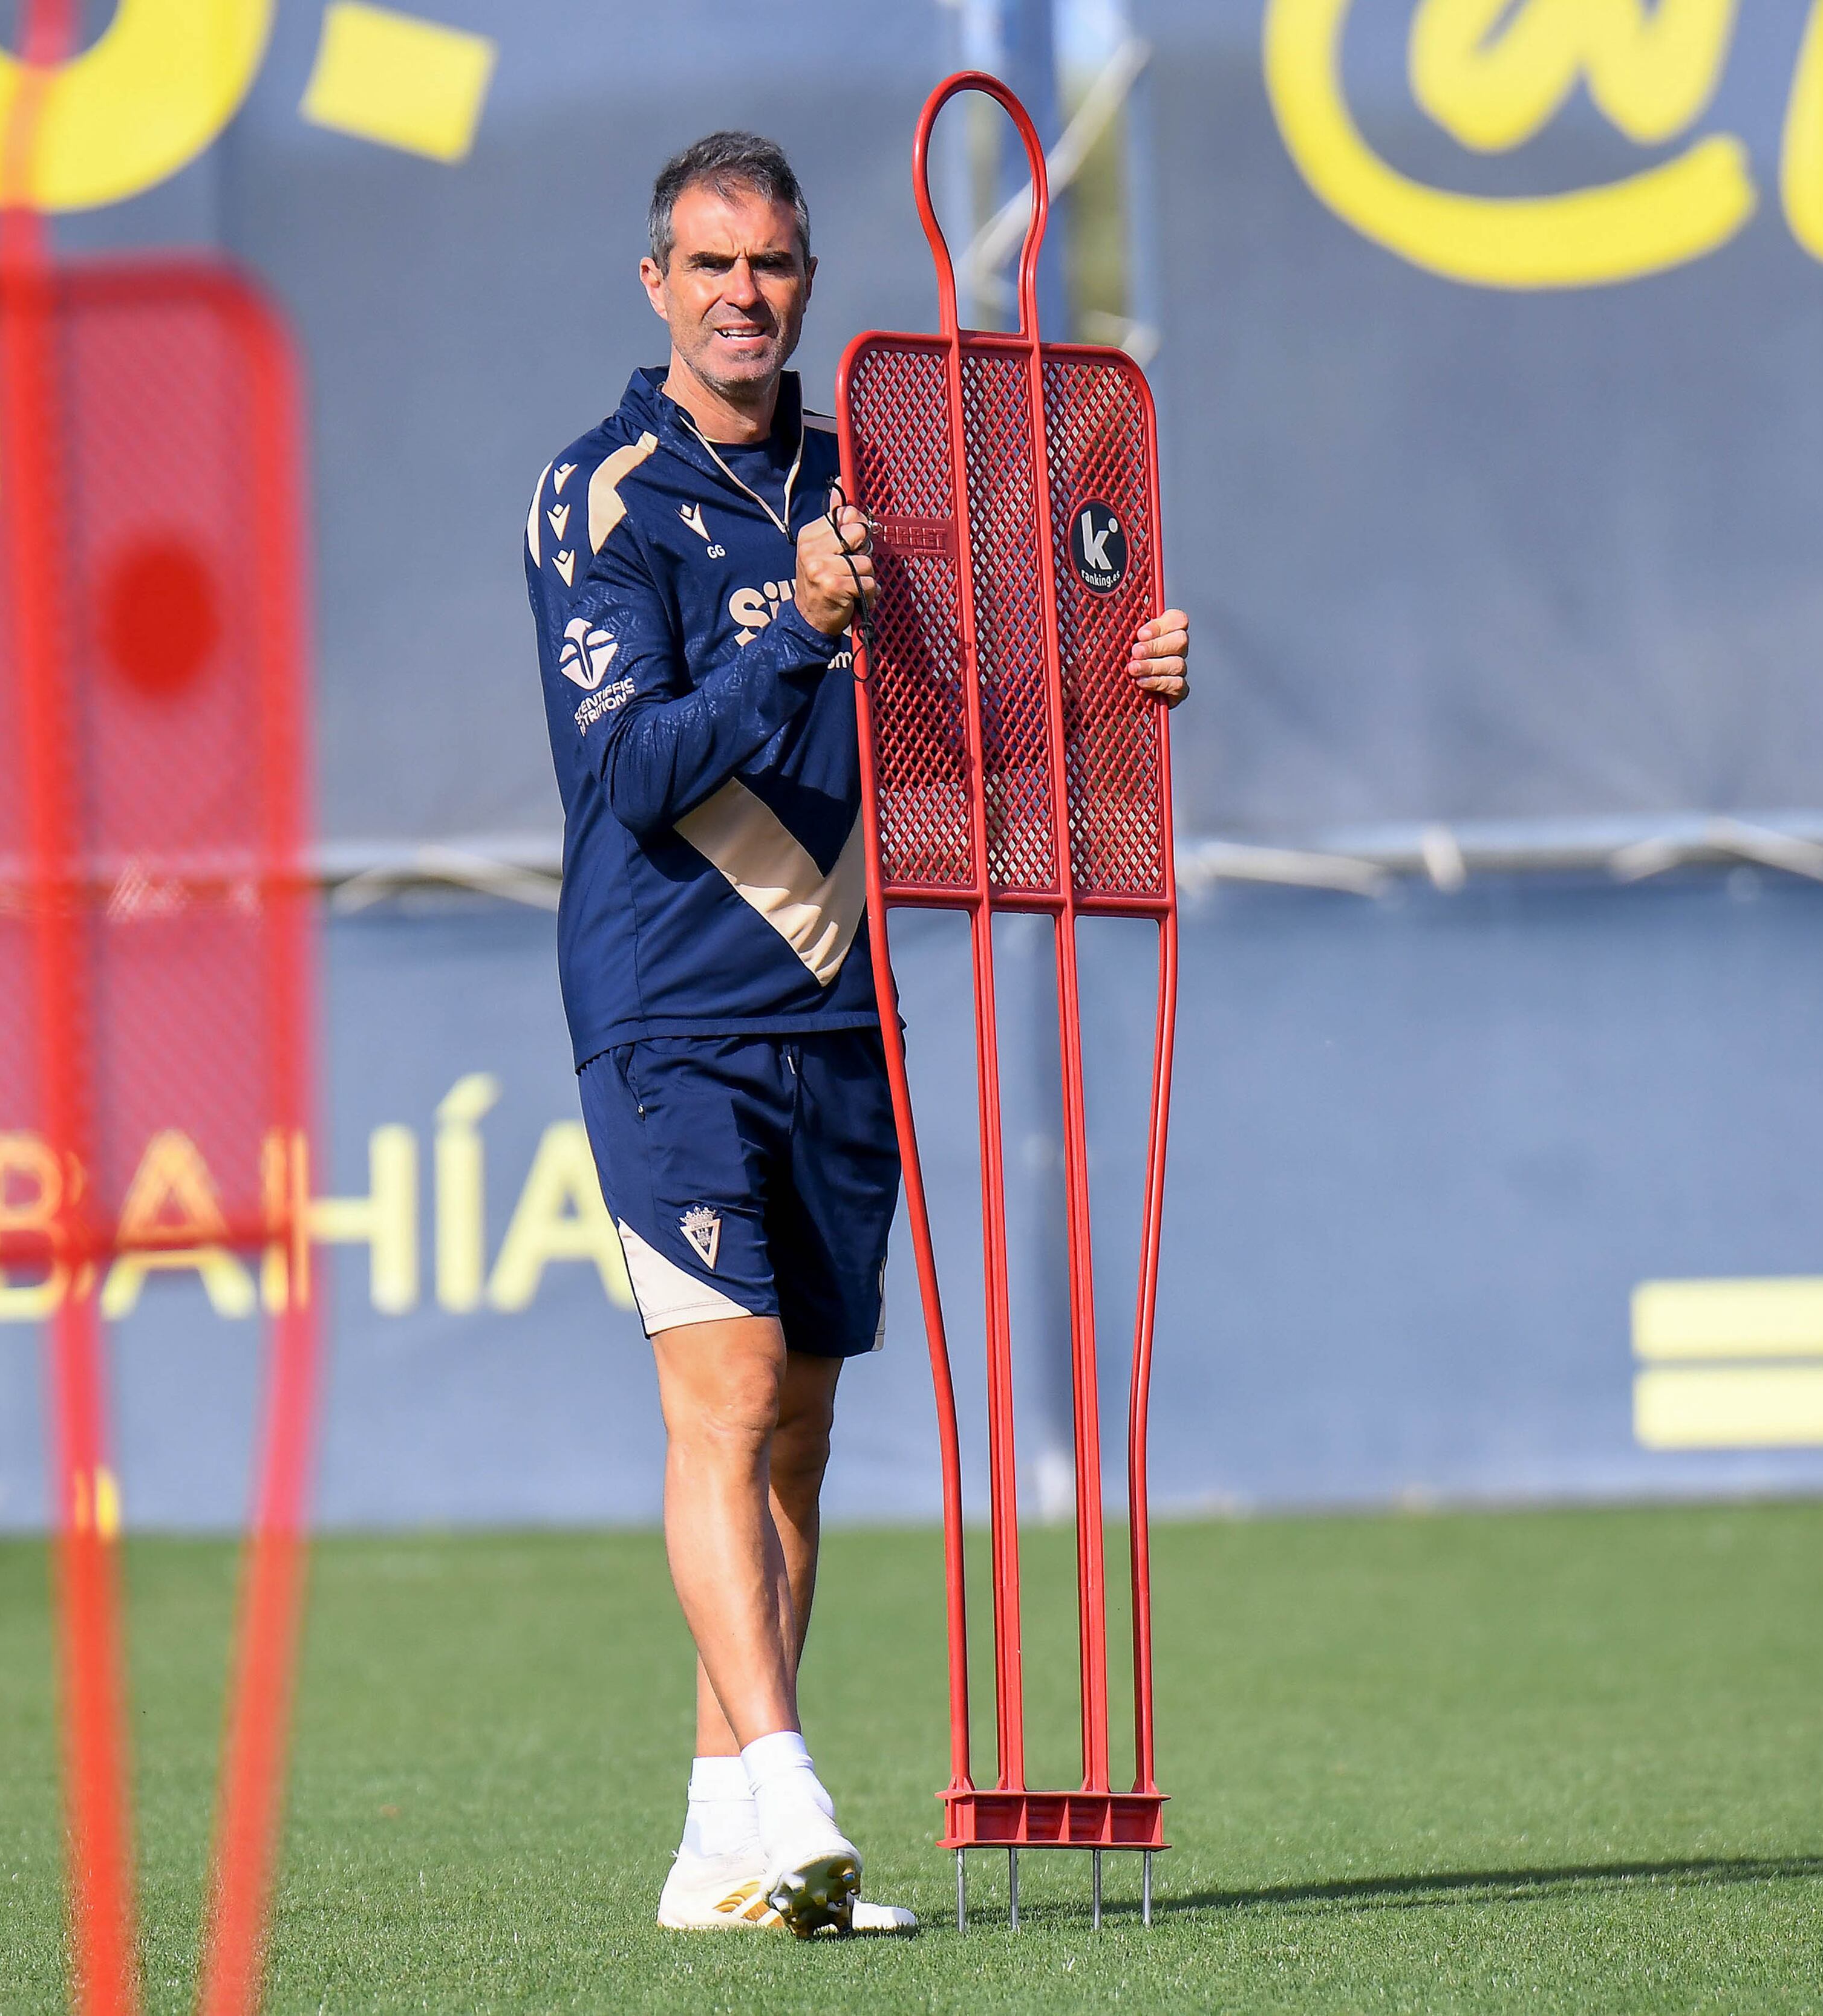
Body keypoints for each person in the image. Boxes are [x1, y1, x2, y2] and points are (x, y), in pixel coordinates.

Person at [520, 131, 1190, 1937]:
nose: (749, 295)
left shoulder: (867, 475)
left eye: (779, 264)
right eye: (714, 264)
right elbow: (634, 771)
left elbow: (953, 739)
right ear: (656, 284)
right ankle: (795, 1788)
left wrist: (1097, 688)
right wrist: (799, 631)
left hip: (840, 1009)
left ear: (808, 282)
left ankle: (717, 1847)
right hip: (667, 1006)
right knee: (723, 1395)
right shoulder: (601, 495)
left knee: (800, 1429)